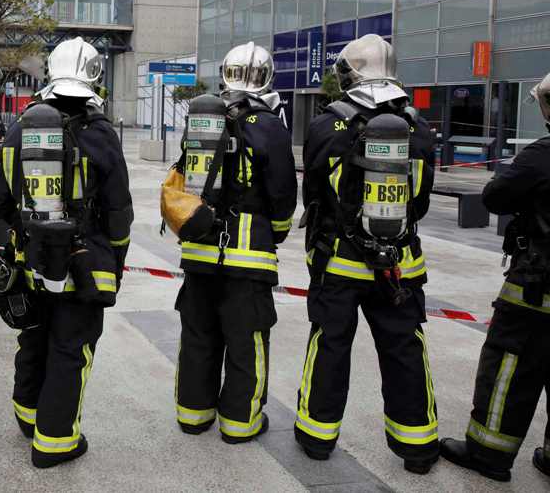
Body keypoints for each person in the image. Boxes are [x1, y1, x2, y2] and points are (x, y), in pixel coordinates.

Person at [296, 34, 438, 473]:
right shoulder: (417, 126)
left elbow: (313, 193)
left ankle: (317, 439)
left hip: (338, 262)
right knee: (405, 349)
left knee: (330, 345)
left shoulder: (327, 124)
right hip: (401, 265)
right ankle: (417, 447)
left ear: (349, 73)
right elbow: (422, 201)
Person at [0, 36, 133, 468]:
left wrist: (25, 239)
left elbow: (0, 199)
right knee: (72, 348)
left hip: (31, 261)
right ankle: (55, 442)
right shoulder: (101, 134)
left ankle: (28, 416)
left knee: (34, 336)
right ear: (95, 77)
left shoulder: (21, 128)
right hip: (83, 265)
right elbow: (118, 212)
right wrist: (116, 263)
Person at [171, 42, 297, 444]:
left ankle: (193, 415)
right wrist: (273, 234)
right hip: (248, 258)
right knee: (246, 341)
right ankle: (240, 423)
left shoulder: (204, 118)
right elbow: (282, 197)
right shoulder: (269, 125)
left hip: (198, 250)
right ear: (266, 77)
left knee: (198, 336)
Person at [440, 72, 550, 482]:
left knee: (509, 366)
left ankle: (488, 453)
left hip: (537, 289)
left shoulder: (540, 156)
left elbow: (494, 196)